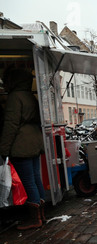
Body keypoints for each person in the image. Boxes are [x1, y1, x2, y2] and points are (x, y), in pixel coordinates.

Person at [0, 68, 46, 230]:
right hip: (34, 141)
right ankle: (42, 214)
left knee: (29, 181)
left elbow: (10, 125)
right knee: (35, 178)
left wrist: (4, 149)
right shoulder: (29, 96)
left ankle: (35, 219)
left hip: (21, 144)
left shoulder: (15, 97)